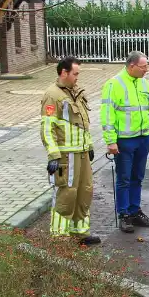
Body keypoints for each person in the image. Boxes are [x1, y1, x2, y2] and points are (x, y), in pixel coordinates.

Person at [41, 56, 100, 245]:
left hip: (81, 153)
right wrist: (53, 155)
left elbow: (83, 124)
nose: (77, 78)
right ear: (64, 73)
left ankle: (80, 232)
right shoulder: (53, 95)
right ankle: (59, 236)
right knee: (66, 194)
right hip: (66, 156)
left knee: (85, 192)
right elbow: (46, 128)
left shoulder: (76, 92)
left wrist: (89, 145)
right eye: (75, 74)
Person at [101, 51, 149, 233]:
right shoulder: (113, 84)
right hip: (124, 140)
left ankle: (135, 210)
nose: (146, 70)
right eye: (143, 67)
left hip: (143, 137)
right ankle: (124, 214)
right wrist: (111, 141)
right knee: (124, 178)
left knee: (138, 177)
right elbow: (107, 115)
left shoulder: (144, 83)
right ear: (131, 66)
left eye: (147, 66)